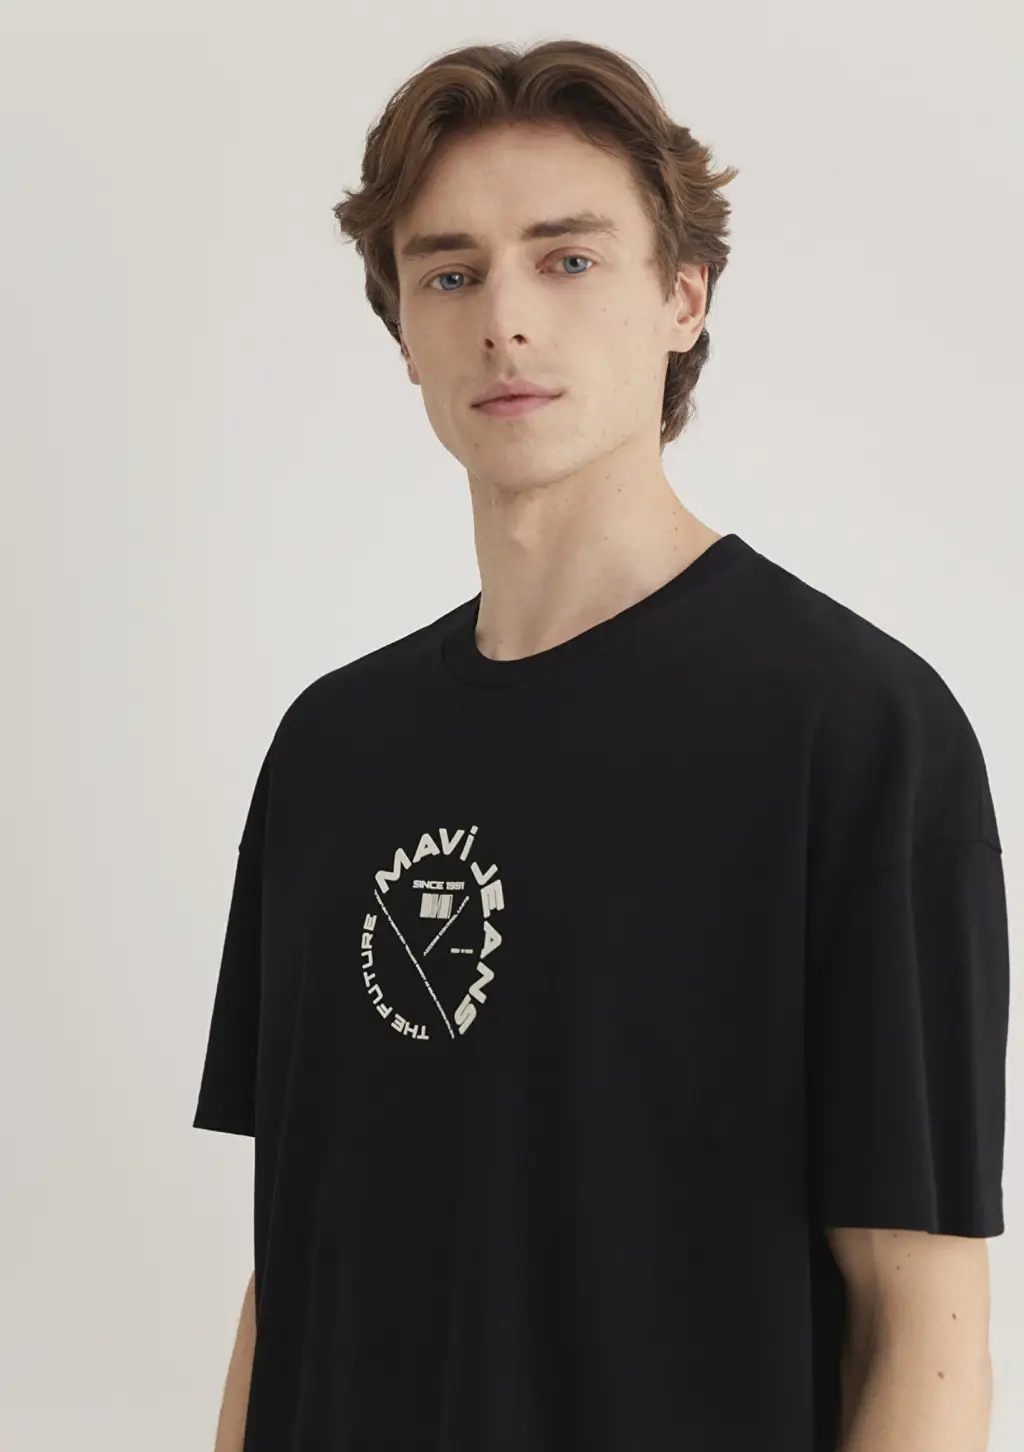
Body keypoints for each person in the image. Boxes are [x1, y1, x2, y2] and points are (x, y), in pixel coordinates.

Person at [192, 38, 1009, 1452]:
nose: (506, 320)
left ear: (684, 296)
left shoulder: (855, 736)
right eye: (451, 273)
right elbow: (291, 1275)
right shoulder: (329, 752)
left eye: (566, 260)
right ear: (403, 332)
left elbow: (922, 1328)